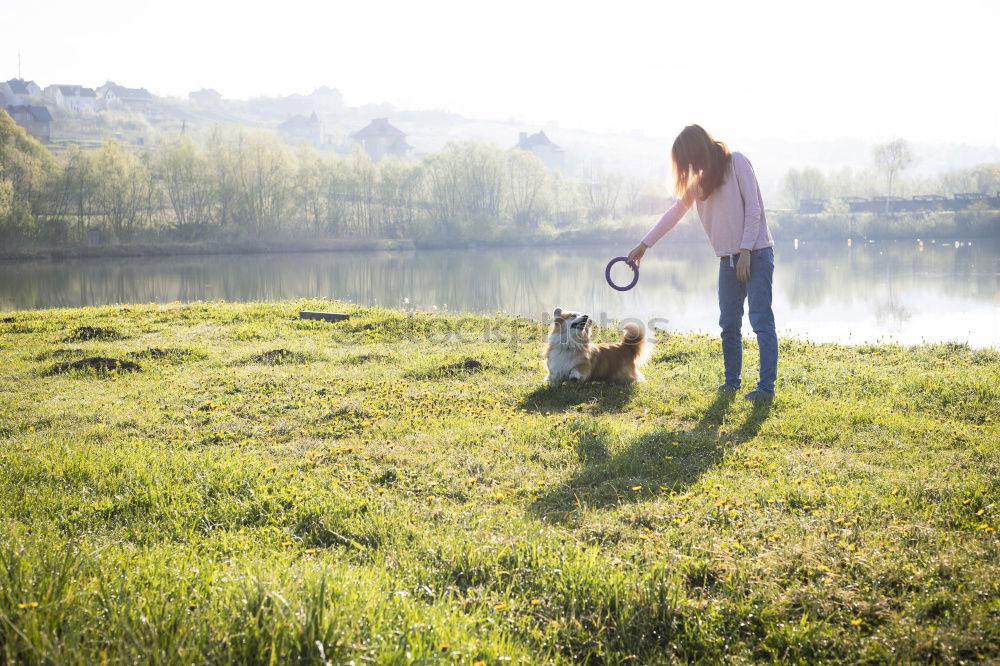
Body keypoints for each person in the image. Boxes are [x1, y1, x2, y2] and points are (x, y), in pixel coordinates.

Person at [627, 124, 777, 401]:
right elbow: (674, 213)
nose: (686, 167)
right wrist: (644, 244)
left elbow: (754, 208)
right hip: (727, 260)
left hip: (756, 253)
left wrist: (745, 250)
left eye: (687, 160)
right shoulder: (699, 182)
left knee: (761, 321)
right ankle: (732, 383)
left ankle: (766, 389)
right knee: (729, 324)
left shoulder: (737, 162)